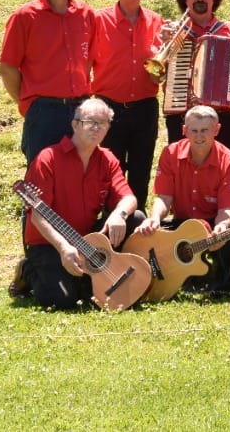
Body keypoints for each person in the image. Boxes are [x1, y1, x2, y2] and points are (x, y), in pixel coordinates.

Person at [17, 98, 139, 309]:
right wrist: (64, 248)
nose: (95, 128)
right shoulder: (47, 159)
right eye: (89, 122)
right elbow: (37, 215)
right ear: (75, 124)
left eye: (102, 124)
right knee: (63, 300)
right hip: (50, 243)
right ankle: (29, 270)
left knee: (136, 219)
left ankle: (117, 274)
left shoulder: (107, 159)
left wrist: (119, 213)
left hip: (87, 239)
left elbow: (129, 198)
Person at [0, 0, 95, 164]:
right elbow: (7, 68)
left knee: (80, 177)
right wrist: (29, 103)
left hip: (81, 110)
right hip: (43, 112)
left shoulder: (86, 14)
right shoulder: (24, 17)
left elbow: (88, 59)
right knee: (41, 180)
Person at [135, 105, 230, 292]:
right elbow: (164, 198)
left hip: (212, 222)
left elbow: (225, 210)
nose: (199, 136)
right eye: (193, 131)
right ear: (184, 130)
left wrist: (222, 227)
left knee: (228, 233)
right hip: (181, 223)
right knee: (150, 233)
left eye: (205, 131)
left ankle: (222, 281)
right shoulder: (170, 154)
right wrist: (154, 219)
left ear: (216, 130)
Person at [90, 0, 164, 206]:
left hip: (144, 108)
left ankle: (137, 227)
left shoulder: (157, 21)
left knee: (141, 172)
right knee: (111, 172)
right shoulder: (98, 20)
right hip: (109, 109)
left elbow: (158, 69)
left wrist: (161, 71)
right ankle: (110, 231)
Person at [162, 0, 230, 146]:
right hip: (181, 113)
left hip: (220, 116)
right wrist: (164, 45)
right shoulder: (172, 31)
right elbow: (155, 75)